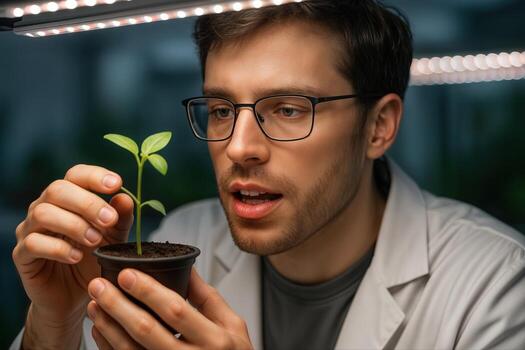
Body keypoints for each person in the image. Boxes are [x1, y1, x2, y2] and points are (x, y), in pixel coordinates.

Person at [10, 1, 525, 349]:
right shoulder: (183, 243)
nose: (238, 147)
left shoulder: (494, 286)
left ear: (379, 126)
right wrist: (55, 323)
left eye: (288, 110)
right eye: (219, 109)